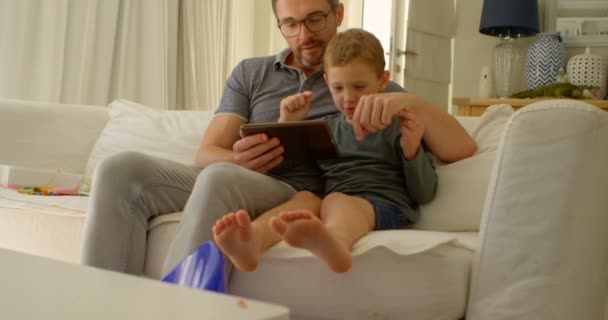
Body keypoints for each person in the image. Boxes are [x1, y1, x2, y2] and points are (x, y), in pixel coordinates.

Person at [80, 0, 476, 277]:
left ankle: (181, 307)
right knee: (120, 169)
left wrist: (407, 103)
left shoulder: (359, 79)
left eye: (315, 19)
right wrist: (240, 158)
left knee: (222, 178)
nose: (304, 34)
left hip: (300, 189)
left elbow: (452, 145)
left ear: (338, 13)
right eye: (291, 23)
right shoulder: (251, 73)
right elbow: (208, 153)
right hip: (244, 175)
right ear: (280, 24)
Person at [212, 28, 437, 273]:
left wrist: (412, 150)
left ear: (383, 81)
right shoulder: (325, 128)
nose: (348, 98)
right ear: (328, 82)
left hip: (385, 207)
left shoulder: (398, 124)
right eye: (338, 88)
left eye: (359, 86)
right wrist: (288, 122)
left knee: (337, 201)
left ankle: (336, 244)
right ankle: (252, 240)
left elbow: (424, 193)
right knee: (306, 198)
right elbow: (285, 169)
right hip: (331, 201)